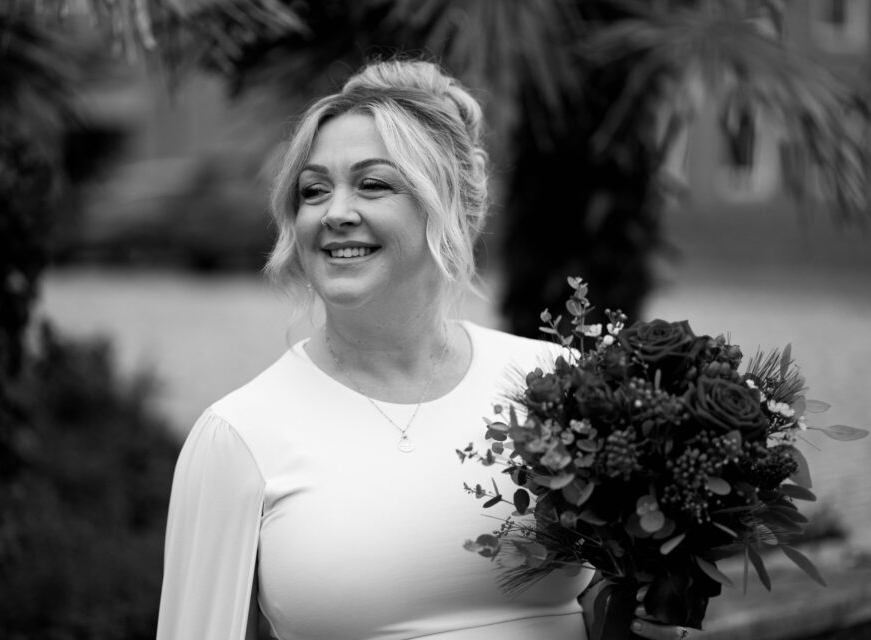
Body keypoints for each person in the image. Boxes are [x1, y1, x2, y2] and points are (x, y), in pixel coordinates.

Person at [157, 58, 695, 640]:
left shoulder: (555, 383)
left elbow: (604, 593)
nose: (335, 213)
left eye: (373, 184)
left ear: (451, 206)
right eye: (314, 190)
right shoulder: (238, 437)